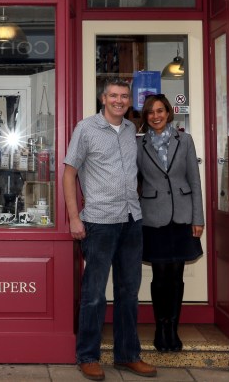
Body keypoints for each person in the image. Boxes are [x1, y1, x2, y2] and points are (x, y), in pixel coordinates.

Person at [63, 78, 157, 381]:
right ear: (103, 98)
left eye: (124, 96)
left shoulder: (131, 130)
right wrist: (74, 218)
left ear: (130, 101)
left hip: (132, 220)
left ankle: (127, 355)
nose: (119, 100)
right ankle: (88, 356)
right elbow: (69, 174)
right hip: (99, 222)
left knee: (129, 292)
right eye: (113, 95)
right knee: (94, 293)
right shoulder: (86, 128)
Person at [136, 94, 204, 353]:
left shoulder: (184, 140)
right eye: (151, 112)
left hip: (183, 216)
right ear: (146, 116)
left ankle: (173, 329)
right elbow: (133, 179)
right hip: (153, 217)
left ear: (168, 113)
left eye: (160, 111)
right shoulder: (139, 145)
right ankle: (160, 327)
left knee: (176, 276)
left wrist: (198, 218)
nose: (156, 116)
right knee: (159, 275)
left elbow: (194, 181)